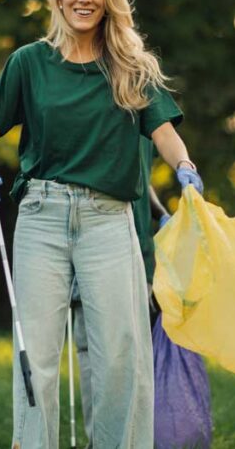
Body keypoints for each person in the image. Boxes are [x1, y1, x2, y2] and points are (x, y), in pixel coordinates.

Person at [0, 0, 203, 449]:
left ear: (109, 0)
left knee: (122, 357)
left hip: (109, 221)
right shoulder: (29, 62)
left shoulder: (130, 67)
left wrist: (184, 165)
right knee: (36, 358)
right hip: (41, 216)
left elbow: (162, 130)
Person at [71, 138, 169, 442]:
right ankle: (99, 440)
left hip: (140, 250)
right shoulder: (98, 106)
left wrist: (160, 213)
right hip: (93, 247)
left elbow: (140, 176)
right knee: (96, 355)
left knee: (132, 357)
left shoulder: (148, 118)